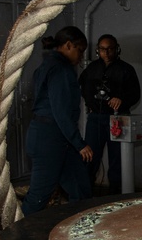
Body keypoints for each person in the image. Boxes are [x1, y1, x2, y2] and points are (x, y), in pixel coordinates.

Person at [21, 26, 93, 214]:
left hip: (56, 138)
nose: (81, 56)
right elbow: (60, 111)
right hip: (49, 139)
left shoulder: (45, 67)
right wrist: (79, 143)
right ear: (68, 46)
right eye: (79, 50)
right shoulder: (61, 70)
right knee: (39, 196)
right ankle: (15, 237)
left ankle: (80, 230)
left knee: (80, 187)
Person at [78, 34, 141, 193]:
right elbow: (82, 88)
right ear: (97, 50)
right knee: (90, 157)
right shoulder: (91, 69)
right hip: (96, 118)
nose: (106, 52)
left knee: (118, 159)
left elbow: (135, 94)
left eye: (110, 49)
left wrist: (122, 100)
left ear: (117, 49)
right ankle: (85, 194)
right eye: (102, 49)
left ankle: (115, 194)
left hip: (118, 118)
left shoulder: (126, 69)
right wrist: (91, 103)